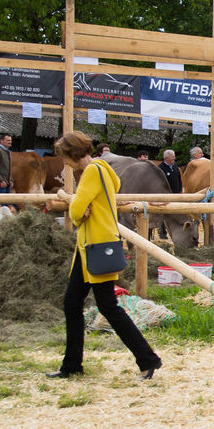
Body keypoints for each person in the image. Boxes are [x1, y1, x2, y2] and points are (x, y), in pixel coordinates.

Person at [46, 131, 162, 381]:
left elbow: (76, 211)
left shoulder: (91, 171)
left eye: (65, 157)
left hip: (96, 245)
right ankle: (71, 365)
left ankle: (148, 359)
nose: (64, 162)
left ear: (73, 154)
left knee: (107, 306)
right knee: (72, 303)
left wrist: (79, 209)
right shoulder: (104, 170)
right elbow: (99, 196)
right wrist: (82, 207)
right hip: (89, 247)